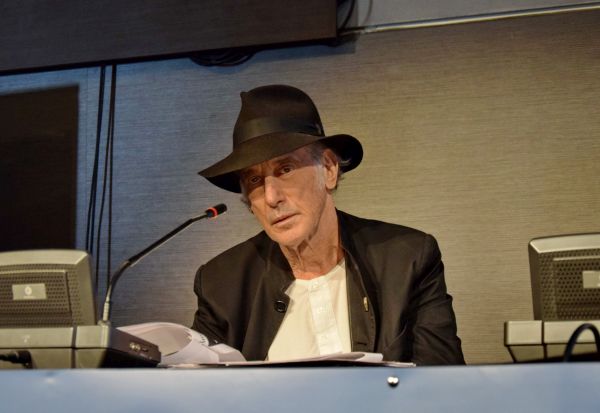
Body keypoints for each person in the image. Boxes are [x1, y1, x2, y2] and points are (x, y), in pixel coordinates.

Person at [192, 84, 464, 365]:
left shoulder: (407, 260)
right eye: (254, 180)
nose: (271, 197)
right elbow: (200, 388)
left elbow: (444, 381)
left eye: (285, 169)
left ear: (330, 169)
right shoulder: (221, 284)